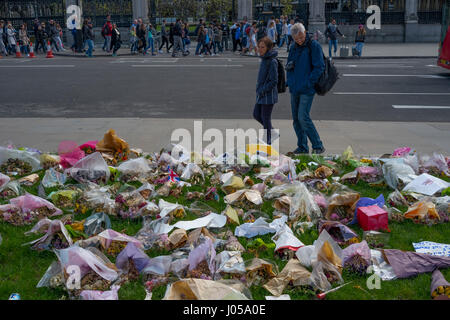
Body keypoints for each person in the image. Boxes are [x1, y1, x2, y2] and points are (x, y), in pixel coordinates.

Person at [286, 23, 326, 155]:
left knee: (303, 117)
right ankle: (302, 147)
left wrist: (309, 83)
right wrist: (289, 82)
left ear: (305, 33)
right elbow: (289, 65)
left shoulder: (313, 46)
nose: (299, 41)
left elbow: (319, 66)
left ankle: (318, 145)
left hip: (307, 89)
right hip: (295, 88)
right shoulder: (293, 47)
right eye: (296, 39)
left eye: (301, 37)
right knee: (296, 120)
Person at [253, 37, 279, 146]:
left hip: (268, 95)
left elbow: (274, 80)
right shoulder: (264, 59)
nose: (260, 49)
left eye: (262, 47)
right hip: (261, 94)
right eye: (259, 47)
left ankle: (267, 140)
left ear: (268, 48)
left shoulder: (272, 61)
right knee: (256, 114)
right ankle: (272, 133)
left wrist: (263, 90)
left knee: (265, 117)